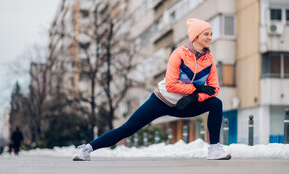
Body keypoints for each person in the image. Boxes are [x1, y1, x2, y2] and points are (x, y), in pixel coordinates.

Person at [73, 18, 231, 161]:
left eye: (211, 34)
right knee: (127, 128)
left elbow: (213, 88)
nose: (210, 37)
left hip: (185, 104)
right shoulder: (179, 54)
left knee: (215, 103)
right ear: (195, 36)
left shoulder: (208, 59)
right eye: (206, 34)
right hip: (162, 100)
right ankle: (86, 149)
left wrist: (195, 98)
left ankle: (214, 149)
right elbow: (170, 84)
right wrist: (195, 88)